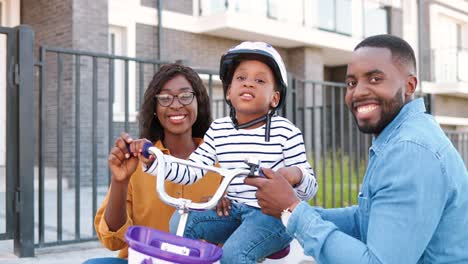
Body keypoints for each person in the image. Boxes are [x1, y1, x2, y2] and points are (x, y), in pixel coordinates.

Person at [245, 34, 468, 263]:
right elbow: (367, 219)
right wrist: (292, 209)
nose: (358, 92)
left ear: (409, 86)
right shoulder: (402, 136)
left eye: (374, 79)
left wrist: (292, 209)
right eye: (352, 83)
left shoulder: (410, 150)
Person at [136, 41, 318, 264]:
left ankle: (267, 244)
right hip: (234, 212)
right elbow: (192, 170)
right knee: (181, 222)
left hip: (274, 217)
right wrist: (156, 161)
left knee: (233, 254)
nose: (249, 84)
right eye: (241, 78)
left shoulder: (286, 132)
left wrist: (296, 175)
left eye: (259, 80)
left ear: (275, 98)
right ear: (229, 92)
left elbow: (310, 187)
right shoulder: (219, 130)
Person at [85, 63, 221, 264]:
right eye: (165, 98)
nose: (175, 105)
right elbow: (112, 240)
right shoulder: (139, 161)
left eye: (185, 96)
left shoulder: (220, 164)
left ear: (198, 103)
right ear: (155, 108)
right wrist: (120, 181)